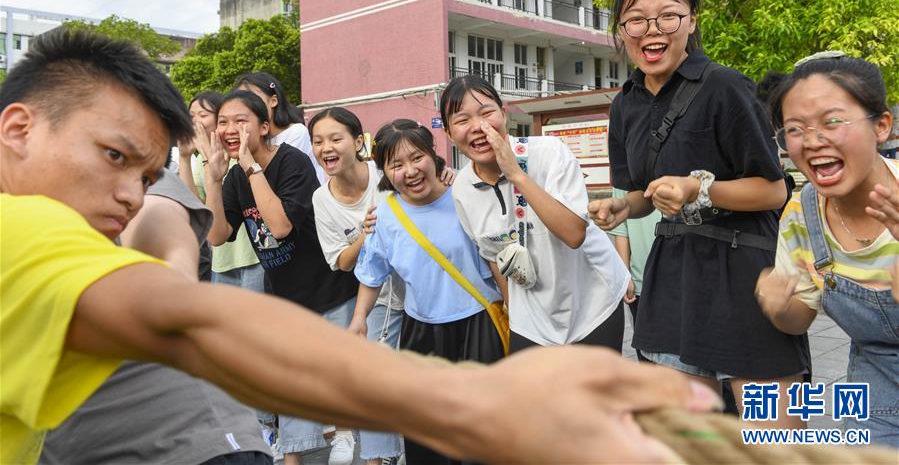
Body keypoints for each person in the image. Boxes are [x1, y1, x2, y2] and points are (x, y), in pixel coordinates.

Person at [1, 28, 723, 465]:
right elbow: (184, 320)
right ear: (18, 129)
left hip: (559, 318)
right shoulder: (23, 230)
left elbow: (163, 253)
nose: (129, 191)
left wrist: (160, 218)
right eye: (114, 156)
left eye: (147, 172)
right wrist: (475, 403)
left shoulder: (534, 162)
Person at [587, 0, 808, 427]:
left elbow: (771, 191)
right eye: (636, 20)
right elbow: (642, 193)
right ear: (622, 30)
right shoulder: (625, 104)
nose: (652, 30)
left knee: (773, 441)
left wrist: (699, 190)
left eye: (667, 16)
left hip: (743, 273)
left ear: (691, 21)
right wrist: (622, 206)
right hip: (672, 279)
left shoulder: (726, 87)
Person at [40, 169, 272, 465]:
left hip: (189, 443)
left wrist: (172, 286)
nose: (131, 193)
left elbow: (161, 230)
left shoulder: (119, 169)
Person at [199, 90, 358, 465]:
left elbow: (281, 226)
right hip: (284, 296)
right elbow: (217, 236)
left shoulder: (292, 162)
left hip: (330, 288)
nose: (229, 129)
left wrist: (251, 167)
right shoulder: (235, 176)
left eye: (241, 121)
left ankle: (358, 441)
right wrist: (214, 180)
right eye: (223, 122)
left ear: (265, 126)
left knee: (342, 376)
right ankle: (292, 458)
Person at [754, 52, 898, 447]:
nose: (813, 141)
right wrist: (780, 307)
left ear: (881, 125)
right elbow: (798, 320)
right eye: (795, 129)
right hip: (879, 387)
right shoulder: (803, 213)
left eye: (833, 122)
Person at [353, 119, 506, 465]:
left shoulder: (465, 195)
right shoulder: (386, 215)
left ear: (433, 156)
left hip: (479, 324)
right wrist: (359, 318)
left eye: (416, 157)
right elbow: (372, 271)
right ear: (384, 172)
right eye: (396, 164)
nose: (410, 171)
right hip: (421, 332)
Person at [440, 75, 629, 352]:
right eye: (461, 120)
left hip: (592, 303)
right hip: (532, 319)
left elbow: (574, 233)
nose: (478, 128)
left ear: (503, 114)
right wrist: (513, 309)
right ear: (448, 133)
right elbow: (493, 257)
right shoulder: (462, 190)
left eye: (486, 113)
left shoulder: (549, 153)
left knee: (596, 396)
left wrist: (516, 174)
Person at [308, 108, 406, 465]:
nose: (326, 148)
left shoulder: (387, 172)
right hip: (379, 298)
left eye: (335, 138)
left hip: (423, 289)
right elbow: (342, 262)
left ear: (358, 141)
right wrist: (366, 236)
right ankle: (376, 460)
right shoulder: (322, 200)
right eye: (318, 142)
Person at [178, 91, 264, 291]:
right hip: (221, 261)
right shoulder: (199, 160)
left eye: (203, 114)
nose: (195, 121)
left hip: (253, 257)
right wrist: (184, 158)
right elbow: (198, 210)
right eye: (191, 115)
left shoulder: (239, 152)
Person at [235, 72, 327, 185]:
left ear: (273, 101)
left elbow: (277, 175)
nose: (248, 107)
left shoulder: (296, 132)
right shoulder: (252, 141)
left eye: (254, 99)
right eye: (241, 102)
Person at [607, 186, 662, 361]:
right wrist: (625, 274)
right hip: (642, 281)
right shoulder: (627, 168)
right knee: (647, 356)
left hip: (684, 275)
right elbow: (621, 229)